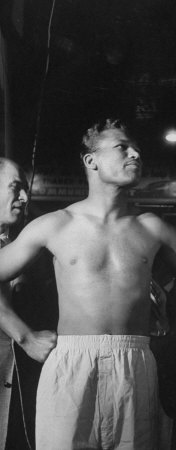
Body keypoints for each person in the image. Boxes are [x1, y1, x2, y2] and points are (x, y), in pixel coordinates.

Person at [0, 118, 176, 450]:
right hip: (70, 363)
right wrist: (24, 336)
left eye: (136, 148)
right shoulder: (54, 225)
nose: (135, 153)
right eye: (122, 147)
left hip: (137, 359)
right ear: (90, 161)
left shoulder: (153, 228)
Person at [0, 157, 35, 450]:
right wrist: (27, 337)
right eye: (16, 187)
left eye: (26, 189)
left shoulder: (18, 247)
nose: (24, 197)